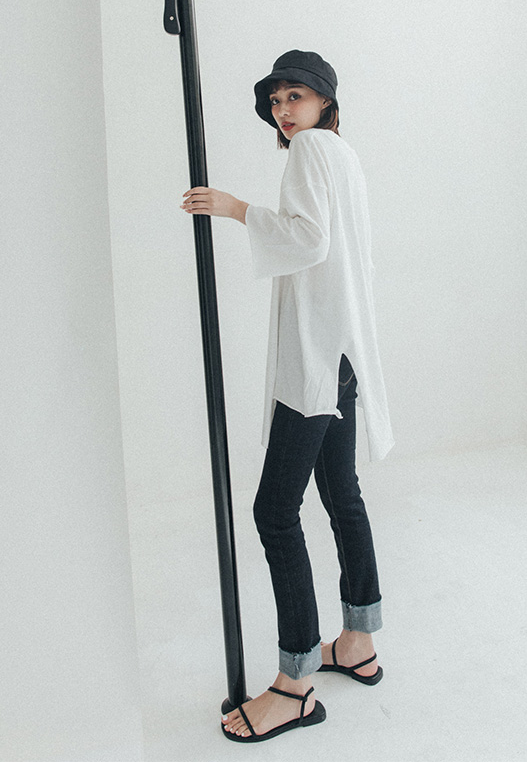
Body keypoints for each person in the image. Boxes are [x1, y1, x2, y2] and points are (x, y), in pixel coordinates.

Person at [181, 49, 394, 743]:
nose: (282, 110)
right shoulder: (343, 154)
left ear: (324, 100)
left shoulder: (310, 151)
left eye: (294, 96)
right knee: (340, 494)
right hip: (344, 351)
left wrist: (237, 209)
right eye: (275, 101)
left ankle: (294, 685)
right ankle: (358, 642)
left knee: (275, 512)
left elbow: (309, 239)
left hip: (317, 358)